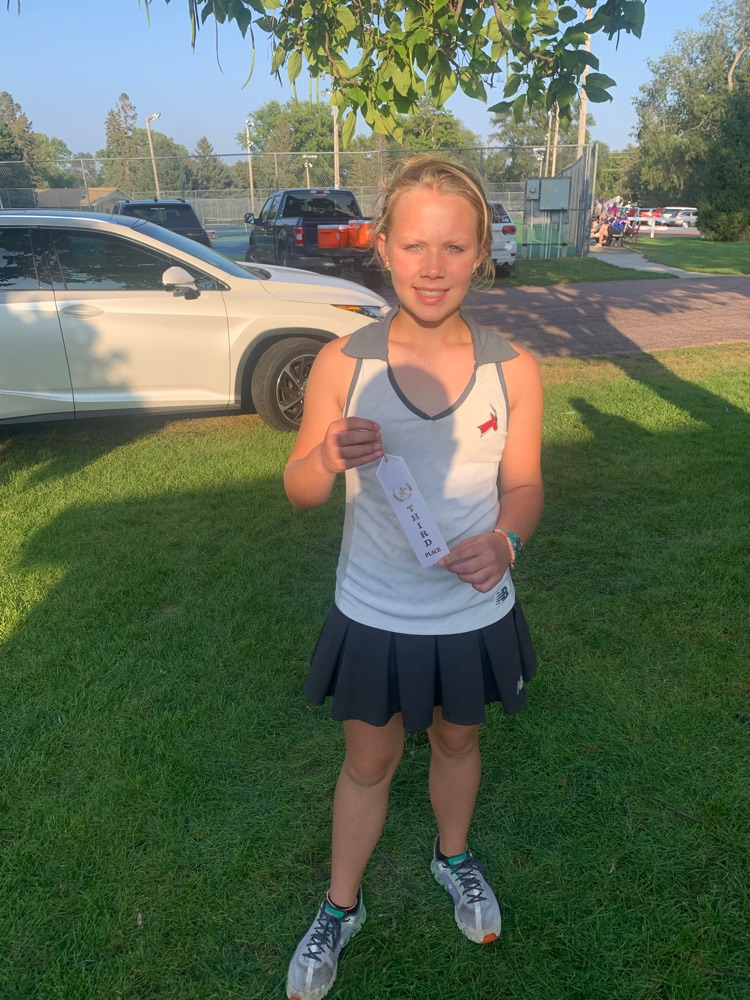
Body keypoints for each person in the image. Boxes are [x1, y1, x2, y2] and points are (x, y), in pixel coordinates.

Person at [282, 155, 544, 1000]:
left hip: (472, 612)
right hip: (375, 610)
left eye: (454, 247)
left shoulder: (513, 368)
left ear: (482, 254)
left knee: (458, 739)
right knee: (369, 759)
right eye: (415, 246)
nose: (433, 267)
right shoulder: (342, 362)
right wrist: (325, 455)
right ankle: (340, 905)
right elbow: (299, 489)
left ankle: (452, 857)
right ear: (383, 248)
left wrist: (506, 541)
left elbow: (526, 486)